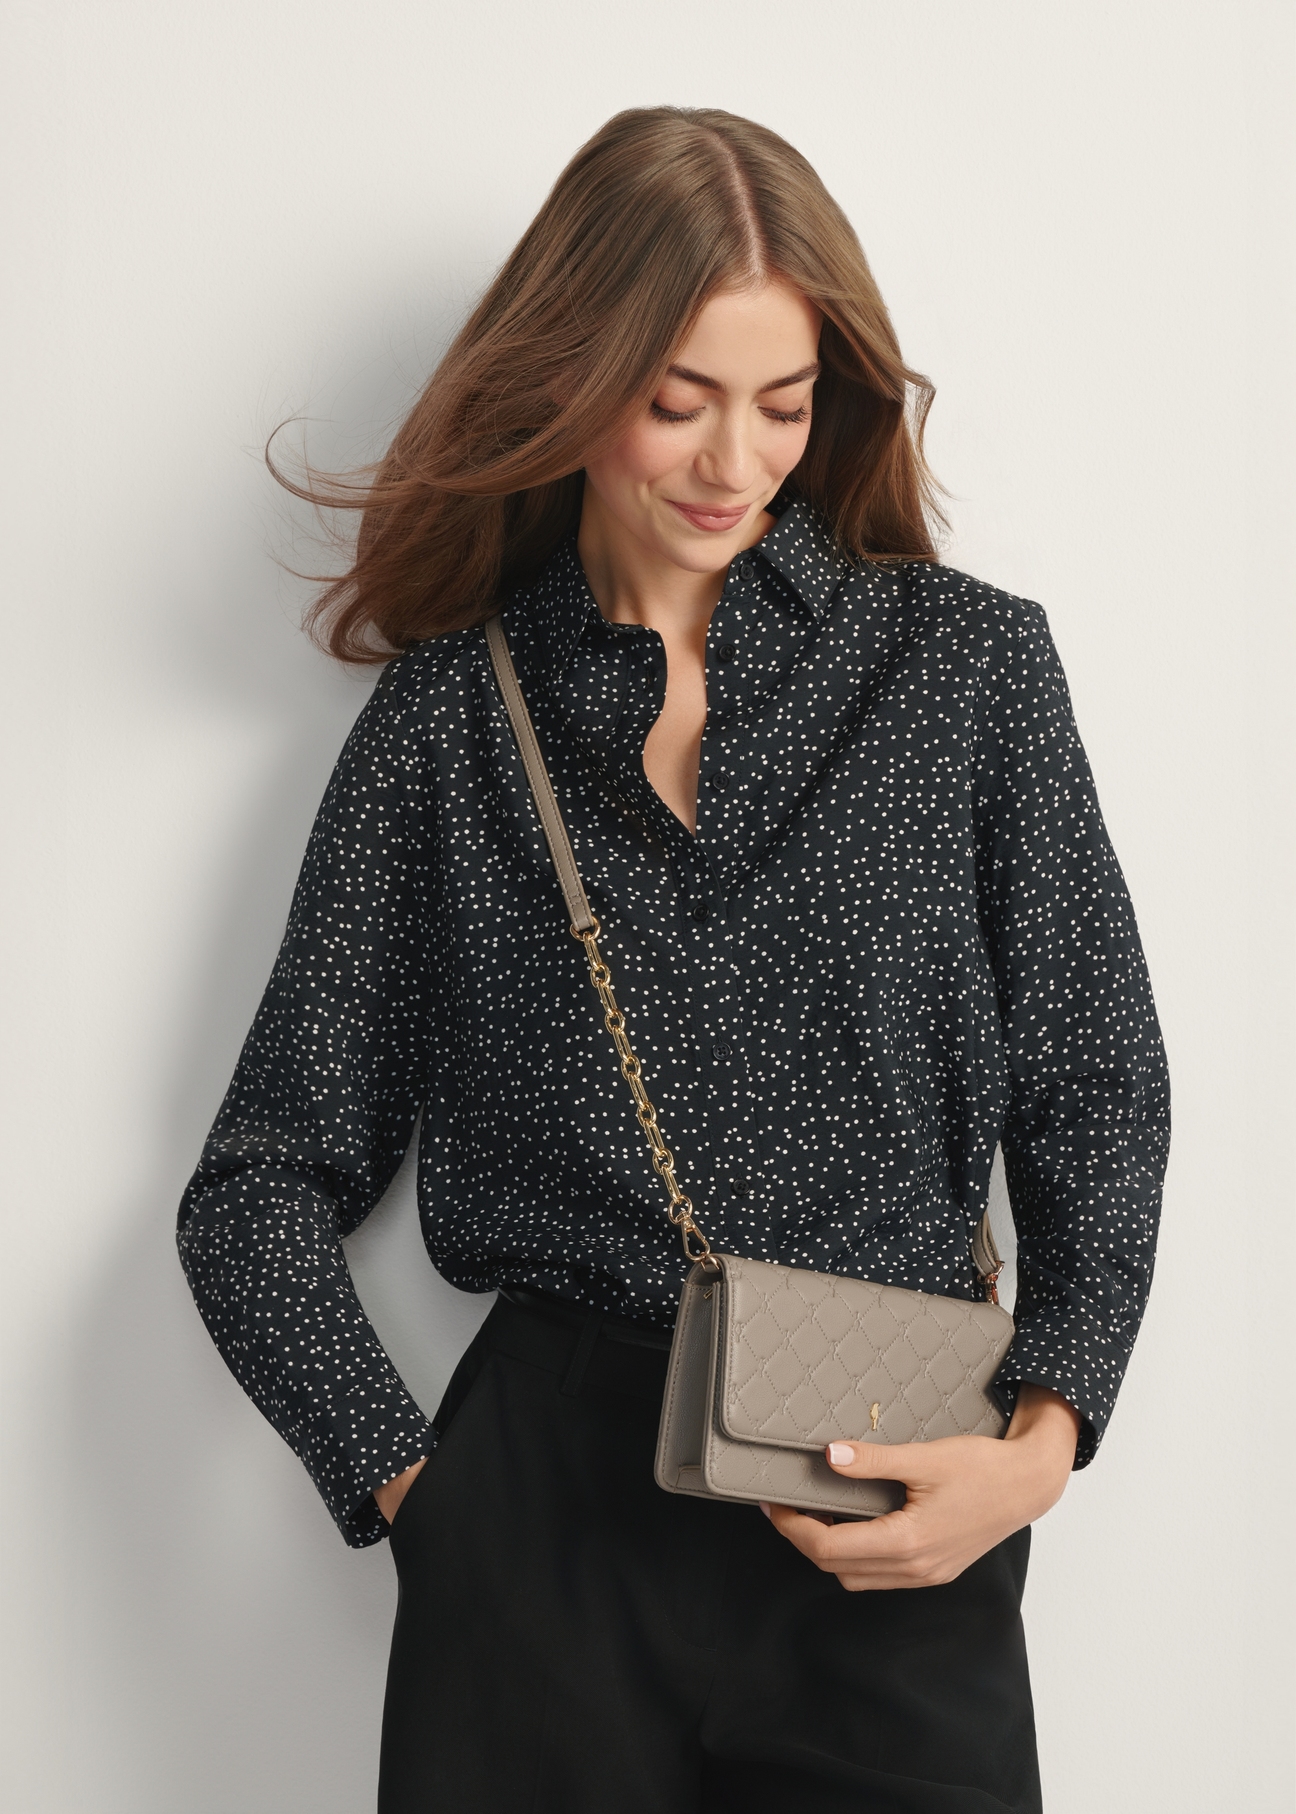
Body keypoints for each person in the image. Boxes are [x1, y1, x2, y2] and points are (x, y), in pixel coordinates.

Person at [178, 107, 1168, 1813]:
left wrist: (1043, 1447)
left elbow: (1097, 1088)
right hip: (544, 1533)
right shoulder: (447, 723)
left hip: (895, 1501)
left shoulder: (967, 671)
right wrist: (427, 1500)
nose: (734, 460)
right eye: (677, 399)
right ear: (572, 382)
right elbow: (258, 1181)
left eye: (782, 402)